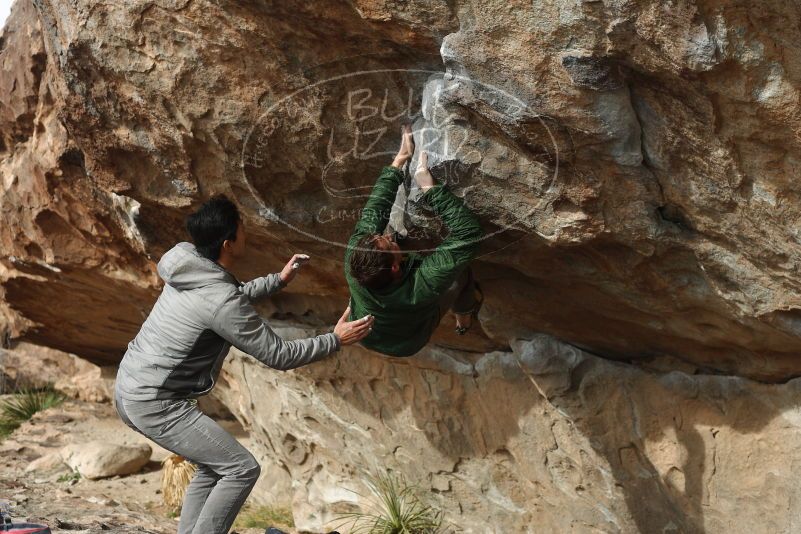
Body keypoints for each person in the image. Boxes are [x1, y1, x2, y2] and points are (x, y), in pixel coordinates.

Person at [114, 196, 373, 534]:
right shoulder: (219, 298)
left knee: (212, 465)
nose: (246, 232)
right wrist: (335, 339)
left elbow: (225, 297)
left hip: (129, 387)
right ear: (228, 243)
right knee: (241, 468)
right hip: (155, 401)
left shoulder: (186, 261)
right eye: (242, 228)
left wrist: (277, 280)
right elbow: (278, 354)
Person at [345, 125, 484, 357]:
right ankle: (464, 313)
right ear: (395, 266)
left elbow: (374, 210)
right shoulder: (422, 288)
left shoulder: (354, 260)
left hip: (369, 336)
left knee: (396, 230)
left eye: (381, 238)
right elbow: (469, 235)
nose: (387, 236)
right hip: (409, 340)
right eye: (389, 244)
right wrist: (429, 187)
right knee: (461, 273)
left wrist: (399, 162)